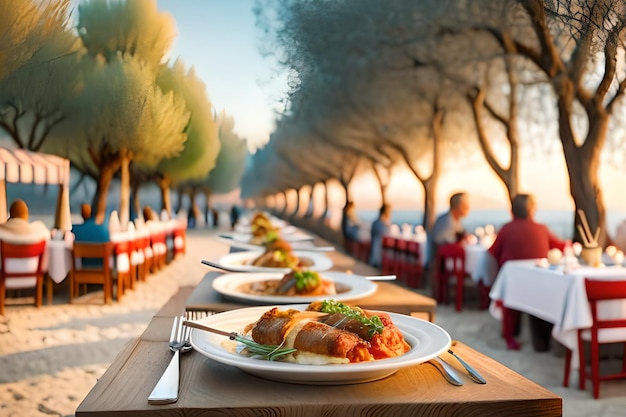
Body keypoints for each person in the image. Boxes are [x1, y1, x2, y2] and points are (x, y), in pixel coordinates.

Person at [487, 193, 567, 351]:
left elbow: (493, 252)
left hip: (512, 287)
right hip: (539, 286)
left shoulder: (506, 229)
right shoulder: (542, 229)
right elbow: (560, 247)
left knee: (512, 291)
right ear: (532, 210)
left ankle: (511, 334)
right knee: (543, 294)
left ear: (512, 210)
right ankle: (542, 342)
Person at [427, 192, 470, 268]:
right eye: (465, 204)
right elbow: (439, 240)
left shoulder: (454, 220)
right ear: (457, 206)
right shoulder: (446, 222)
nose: (468, 207)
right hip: (440, 266)